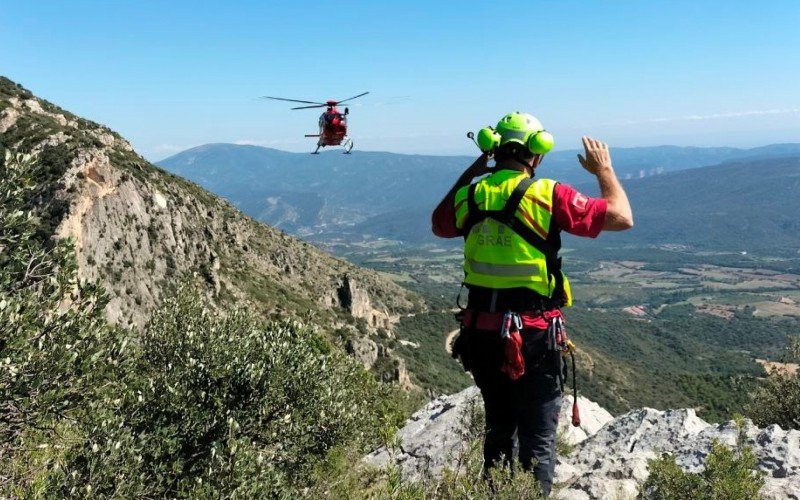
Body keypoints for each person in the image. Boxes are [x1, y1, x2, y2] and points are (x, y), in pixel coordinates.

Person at [431, 112, 633, 496]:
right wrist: (603, 170)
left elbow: (439, 223)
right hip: (535, 339)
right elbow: (622, 217)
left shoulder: (470, 196)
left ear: (493, 147)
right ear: (537, 152)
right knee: (538, 441)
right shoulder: (547, 195)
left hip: (481, 337)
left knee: (498, 432)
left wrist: (478, 167)